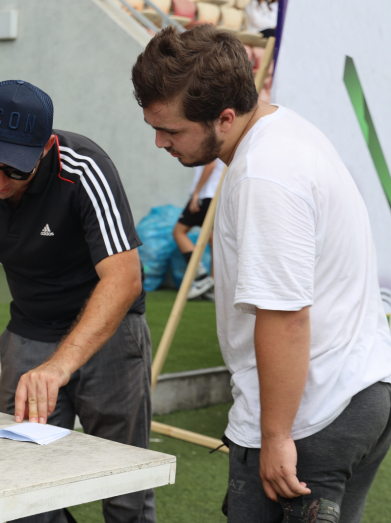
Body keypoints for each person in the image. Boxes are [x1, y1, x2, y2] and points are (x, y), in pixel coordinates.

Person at [132, 25, 391, 521]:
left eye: (172, 130)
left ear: (225, 118)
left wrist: (275, 435)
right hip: (357, 393)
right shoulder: (283, 130)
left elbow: (285, 314)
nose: (160, 142)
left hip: (315, 413)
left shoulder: (265, 173)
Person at [0, 80, 154, 523]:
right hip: (29, 331)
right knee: (18, 486)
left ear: (47, 147)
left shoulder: (85, 168)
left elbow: (124, 279)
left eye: (15, 170)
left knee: (124, 487)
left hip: (109, 335)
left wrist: (60, 364)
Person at [173, 158, 225, 299]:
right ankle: (214, 288)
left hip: (206, 195)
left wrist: (196, 193)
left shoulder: (210, 139)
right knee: (214, 240)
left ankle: (201, 275)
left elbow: (210, 164)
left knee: (179, 232)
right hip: (216, 195)